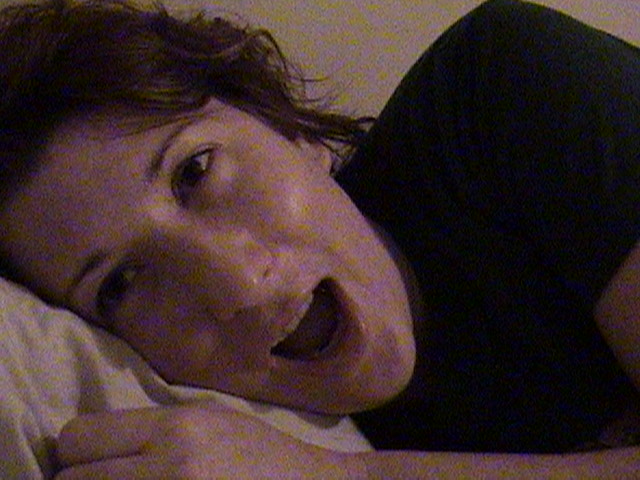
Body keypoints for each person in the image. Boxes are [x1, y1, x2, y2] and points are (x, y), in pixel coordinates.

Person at [0, 0, 638, 477]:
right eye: (121, 283)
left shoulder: (504, 89)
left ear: (291, 131)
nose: (240, 286)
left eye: (196, 170)